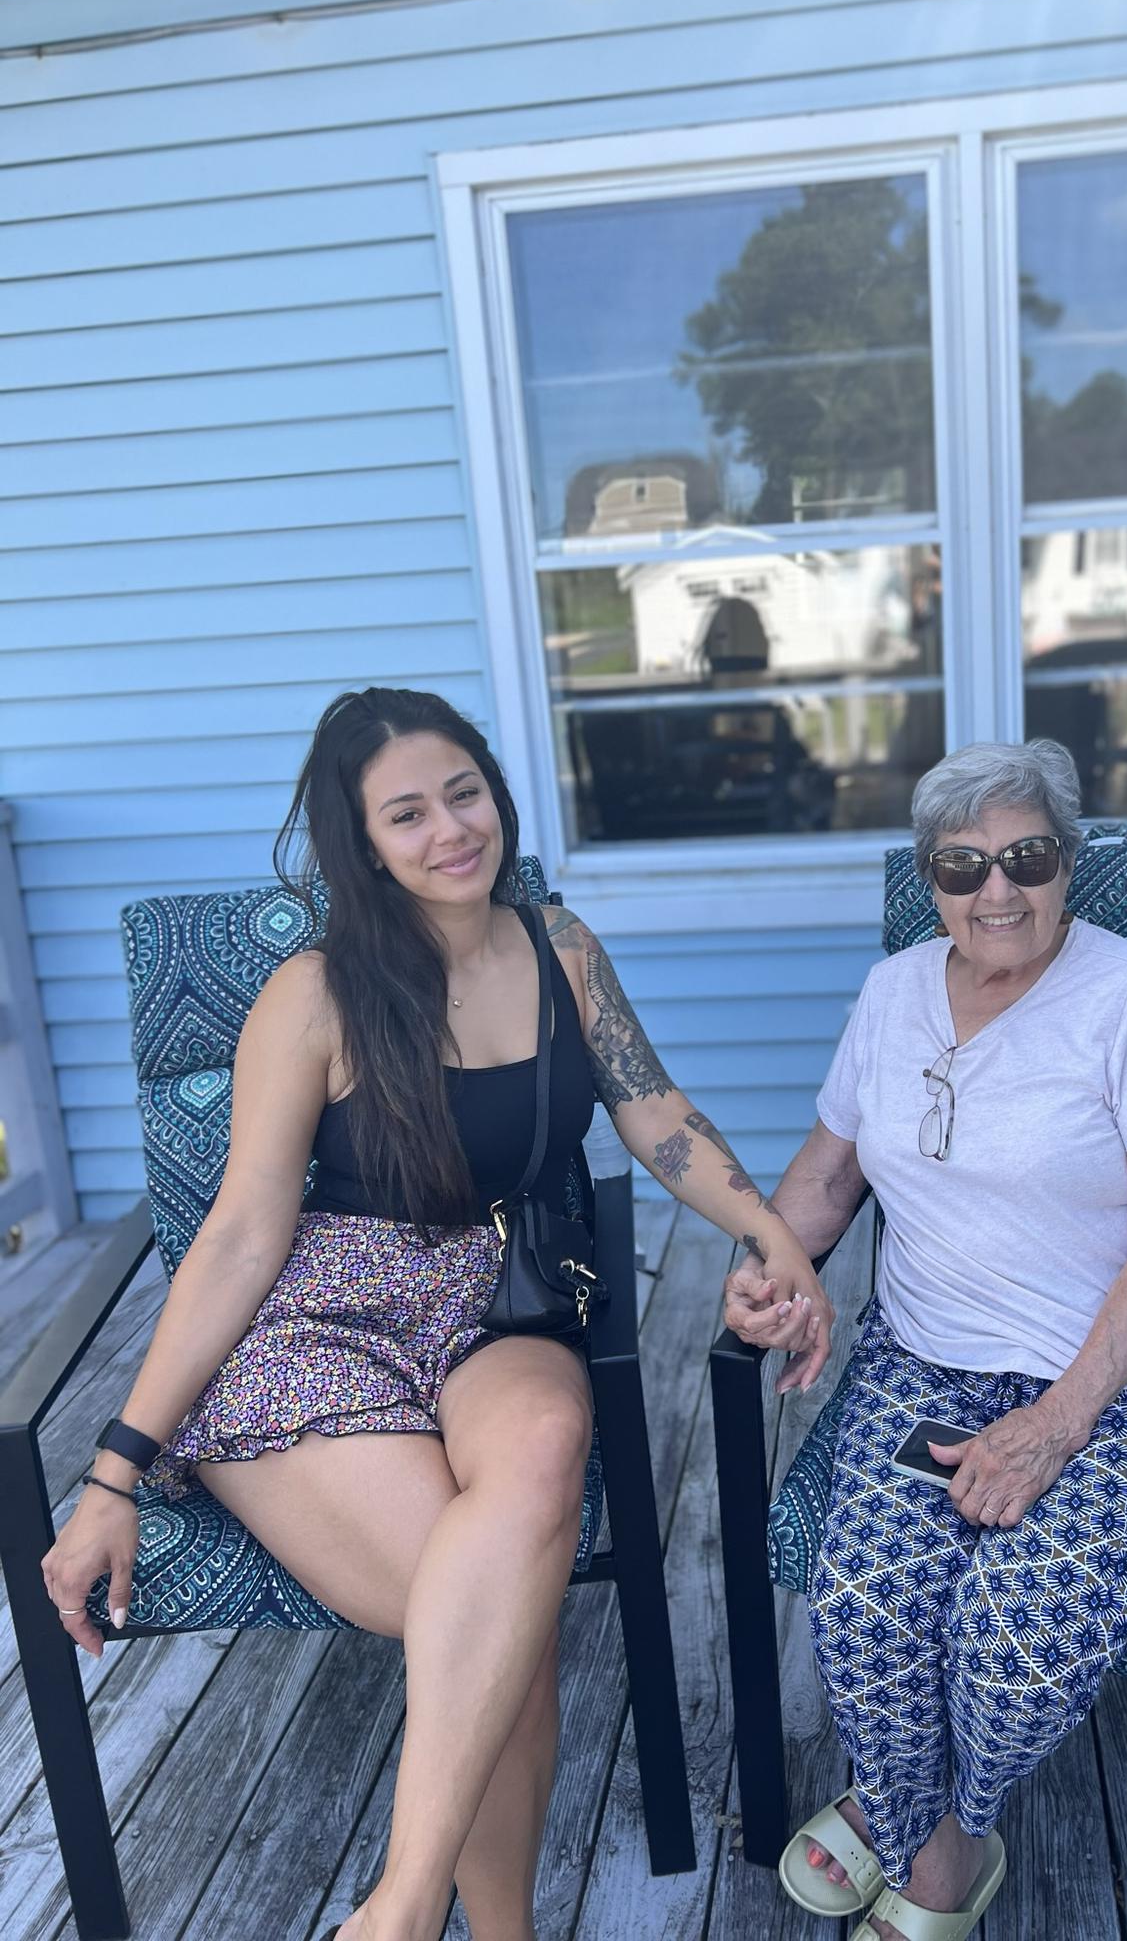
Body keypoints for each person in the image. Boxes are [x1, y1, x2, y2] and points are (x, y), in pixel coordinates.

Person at [42, 686, 828, 1941]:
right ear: (361, 843)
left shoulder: (559, 946)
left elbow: (652, 1109)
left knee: (539, 1460)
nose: (450, 828)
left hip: (508, 1300)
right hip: (327, 1330)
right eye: (405, 812)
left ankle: (398, 1916)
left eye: (463, 791)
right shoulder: (314, 994)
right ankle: (454, 1923)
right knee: (497, 1635)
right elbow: (243, 1233)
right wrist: (114, 1468)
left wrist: (772, 1231)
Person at [723, 738, 1127, 1941]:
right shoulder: (893, 989)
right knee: (864, 1598)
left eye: (1027, 857)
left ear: (1069, 864)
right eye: (962, 867)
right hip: (931, 1354)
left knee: (1010, 1635)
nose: (995, 891)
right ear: (930, 877)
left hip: (1122, 1377)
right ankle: (937, 1834)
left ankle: (925, 1823)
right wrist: (770, 1270)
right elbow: (828, 1171)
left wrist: (1057, 1426)